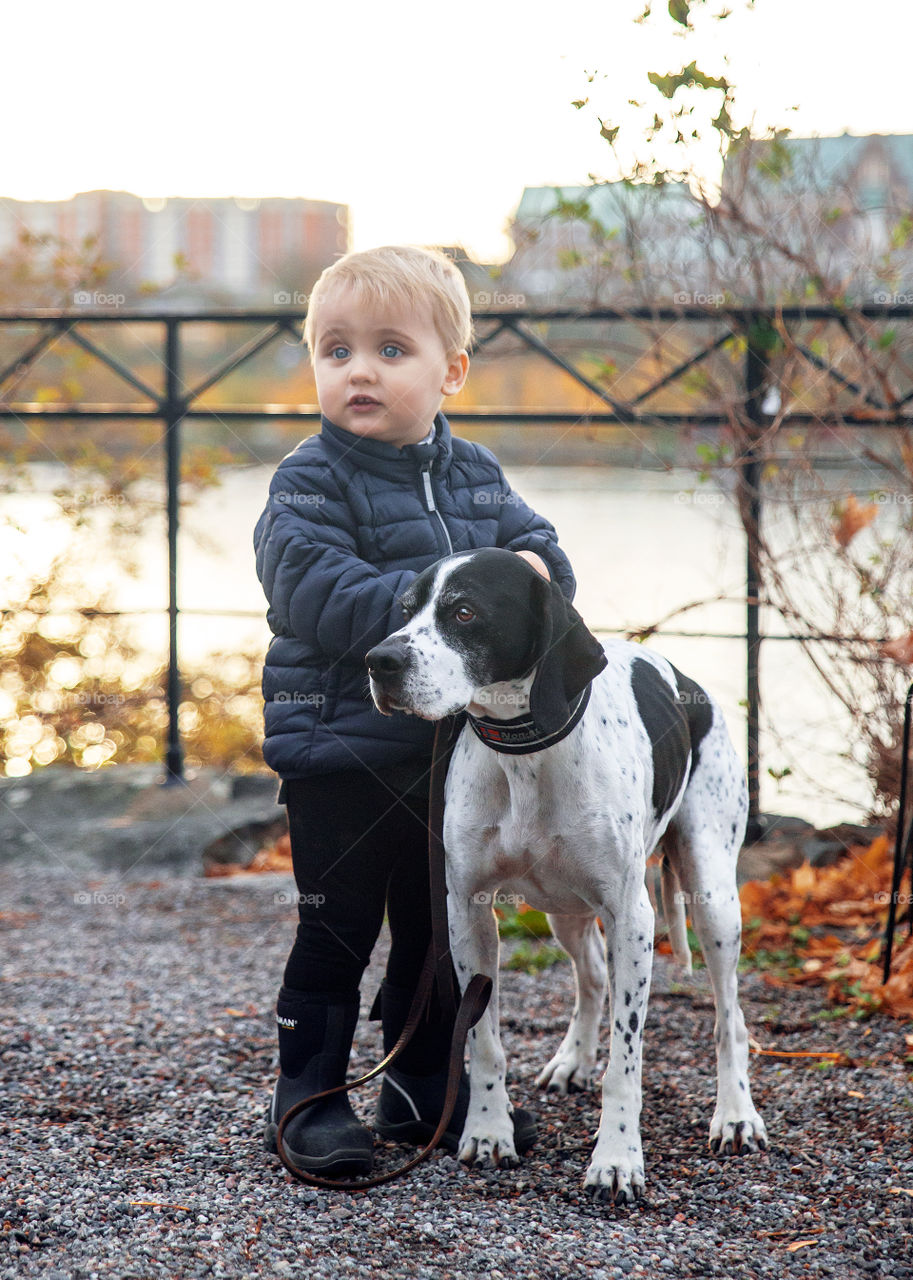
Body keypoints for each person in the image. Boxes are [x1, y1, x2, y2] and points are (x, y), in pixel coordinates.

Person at [254, 244, 576, 1178]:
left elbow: (544, 570)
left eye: (391, 350)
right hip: (342, 749)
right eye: (336, 349)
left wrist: (536, 580)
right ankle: (307, 1098)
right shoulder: (307, 483)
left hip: (456, 756)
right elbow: (320, 592)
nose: (359, 369)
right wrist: (462, 599)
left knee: (439, 926)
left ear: (452, 371)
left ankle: (420, 1084)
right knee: (336, 925)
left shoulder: (476, 475)